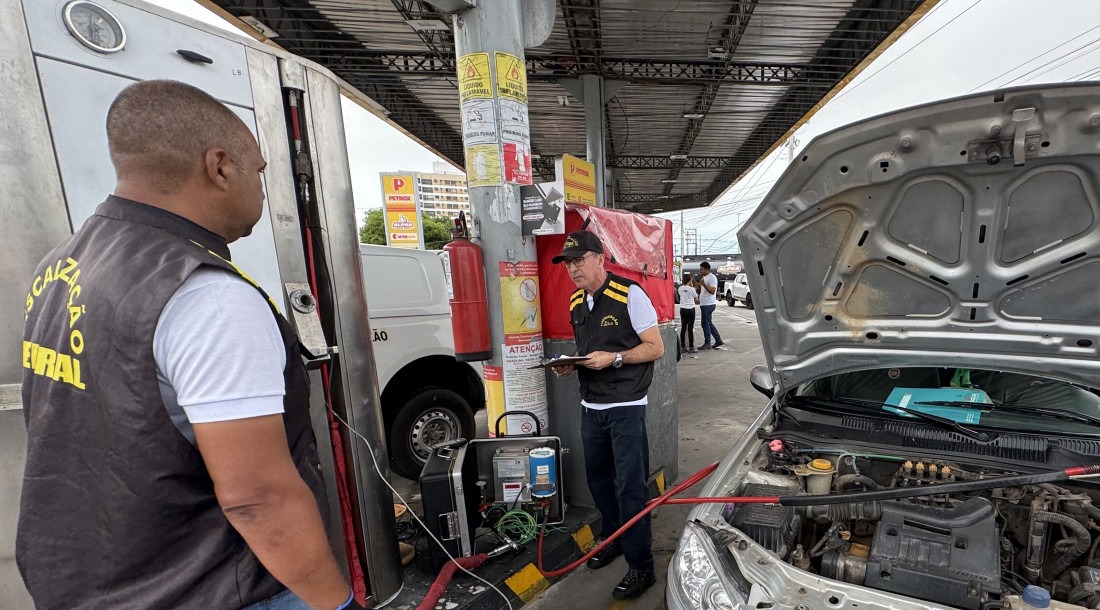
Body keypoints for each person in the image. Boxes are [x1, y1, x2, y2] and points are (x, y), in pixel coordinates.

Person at [18, 80, 361, 610]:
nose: (263, 193)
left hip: (91, 580)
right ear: (220, 166)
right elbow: (257, 496)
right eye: (260, 173)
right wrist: (334, 603)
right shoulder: (206, 295)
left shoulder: (62, 266)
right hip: (211, 587)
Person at [550, 231, 665, 600]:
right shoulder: (576, 302)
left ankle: (641, 565)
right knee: (599, 481)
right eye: (567, 263)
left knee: (630, 487)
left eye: (578, 260)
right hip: (591, 406)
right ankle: (614, 539)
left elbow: (655, 348)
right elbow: (588, 349)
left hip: (626, 407)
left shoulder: (630, 294)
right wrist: (572, 364)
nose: (572, 268)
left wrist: (614, 358)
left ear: (600, 258)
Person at [696, 261, 724, 349]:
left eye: (702, 269)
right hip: (705, 303)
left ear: (707, 269)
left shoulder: (712, 278)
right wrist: (694, 282)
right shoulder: (704, 277)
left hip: (708, 304)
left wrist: (703, 284)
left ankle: (707, 342)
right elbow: (701, 288)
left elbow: (712, 291)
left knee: (705, 323)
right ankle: (718, 339)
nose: (700, 271)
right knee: (708, 323)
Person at [677, 272, 699, 353]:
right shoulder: (692, 289)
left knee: (683, 328)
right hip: (690, 309)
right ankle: (691, 347)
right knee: (690, 328)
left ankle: (682, 346)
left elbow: (681, 295)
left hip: (682, 309)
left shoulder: (680, 288)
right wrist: (691, 285)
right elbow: (696, 299)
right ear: (689, 280)